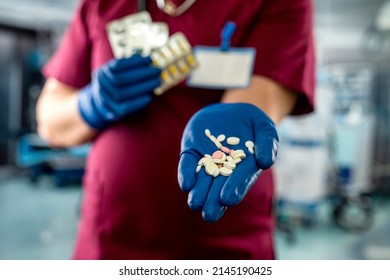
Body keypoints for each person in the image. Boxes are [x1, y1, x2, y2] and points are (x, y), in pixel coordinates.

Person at [36, 0, 315, 259]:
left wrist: (235, 125)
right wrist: (92, 104)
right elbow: (50, 121)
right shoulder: (101, 4)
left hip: (222, 238)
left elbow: (261, 99)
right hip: (110, 234)